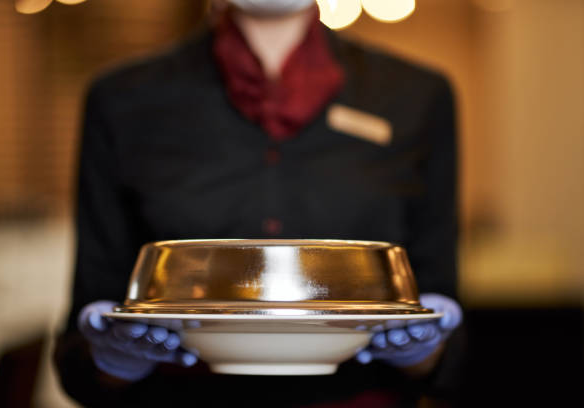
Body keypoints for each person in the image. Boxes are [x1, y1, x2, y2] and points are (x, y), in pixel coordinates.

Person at [54, 1, 464, 406]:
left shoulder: (416, 96)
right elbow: (80, 358)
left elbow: (452, 354)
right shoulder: (122, 100)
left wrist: (424, 349)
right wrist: (114, 356)